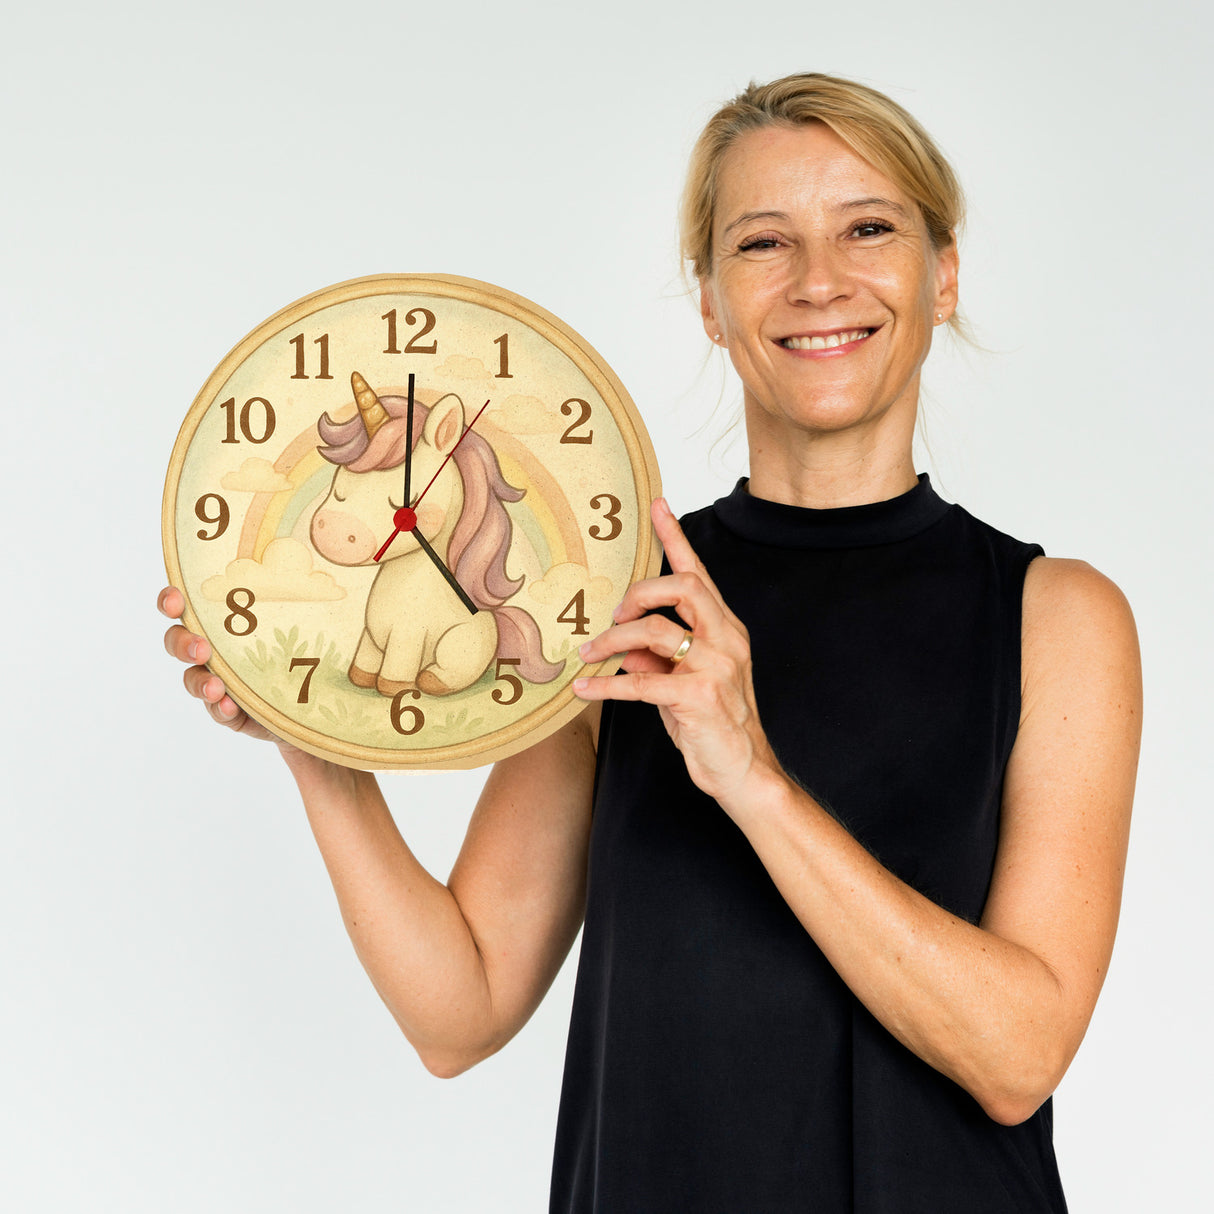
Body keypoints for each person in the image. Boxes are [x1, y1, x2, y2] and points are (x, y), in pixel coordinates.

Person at [160, 73, 1141, 1213]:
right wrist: (315, 744)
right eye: (762, 242)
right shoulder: (615, 603)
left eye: (867, 228)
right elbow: (459, 1007)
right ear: (712, 303)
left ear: (943, 272)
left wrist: (750, 776)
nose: (818, 279)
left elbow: (1018, 1058)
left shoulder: (1052, 612)